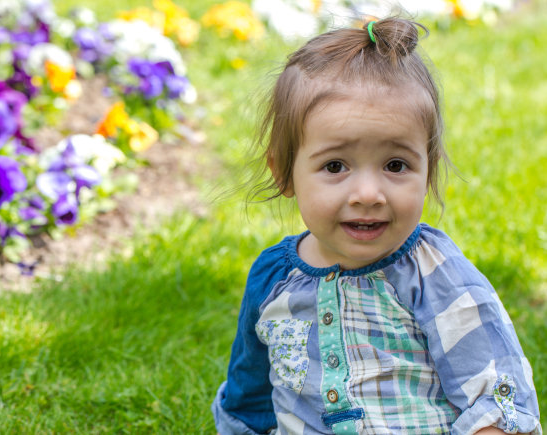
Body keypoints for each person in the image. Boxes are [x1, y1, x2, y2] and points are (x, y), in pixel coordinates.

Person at [211, 17, 541, 435]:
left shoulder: (433, 274)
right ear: (285, 175)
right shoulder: (274, 278)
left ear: (428, 171)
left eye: (396, 165)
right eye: (335, 166)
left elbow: (495, 386)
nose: (368, 193)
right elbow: (250, 394)